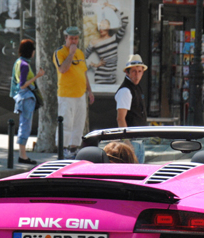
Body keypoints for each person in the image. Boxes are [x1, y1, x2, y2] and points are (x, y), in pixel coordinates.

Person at [53, 26, 94, 159]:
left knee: (79, 122)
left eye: (76, 38)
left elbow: (83, 72)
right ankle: (62, 148)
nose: (74, 41)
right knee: (66, 122)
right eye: (71, 38)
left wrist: (90, 91)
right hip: (66, 94)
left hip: (80, 94)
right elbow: (63, 69)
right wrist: (70, 53)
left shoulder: (81, 53)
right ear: (66, 38)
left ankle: (73, 148)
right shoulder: (60, 52)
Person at [10, 39, 44, 165]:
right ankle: (22, 156)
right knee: (25, 125)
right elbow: (23, 85)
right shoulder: (24, 65)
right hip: (26, 98)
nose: (34, 51)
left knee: (24, 125)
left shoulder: (18, 62)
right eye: (33, 49)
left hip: (22, 98)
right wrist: (37, 76)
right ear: (30, 51)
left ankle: (22, 155)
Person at [115, 54, 148, 162]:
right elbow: (120, 118)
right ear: (127, 72)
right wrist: (127, 142)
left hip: (139, 140)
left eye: (139, 71)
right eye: (134, 71)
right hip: (132, 142)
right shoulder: (125, 90)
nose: (137, 75)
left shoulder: (136, 87)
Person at [84, 2, 128, 85]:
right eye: (100, 25)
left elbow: (125, 21)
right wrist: (94, 64)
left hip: (113, 78)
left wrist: (112, 7)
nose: (101, 27)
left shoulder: (115, 38)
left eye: (104, 24)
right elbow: (82, 57)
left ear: (109, 26)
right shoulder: (94, 42)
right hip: (100, 77)